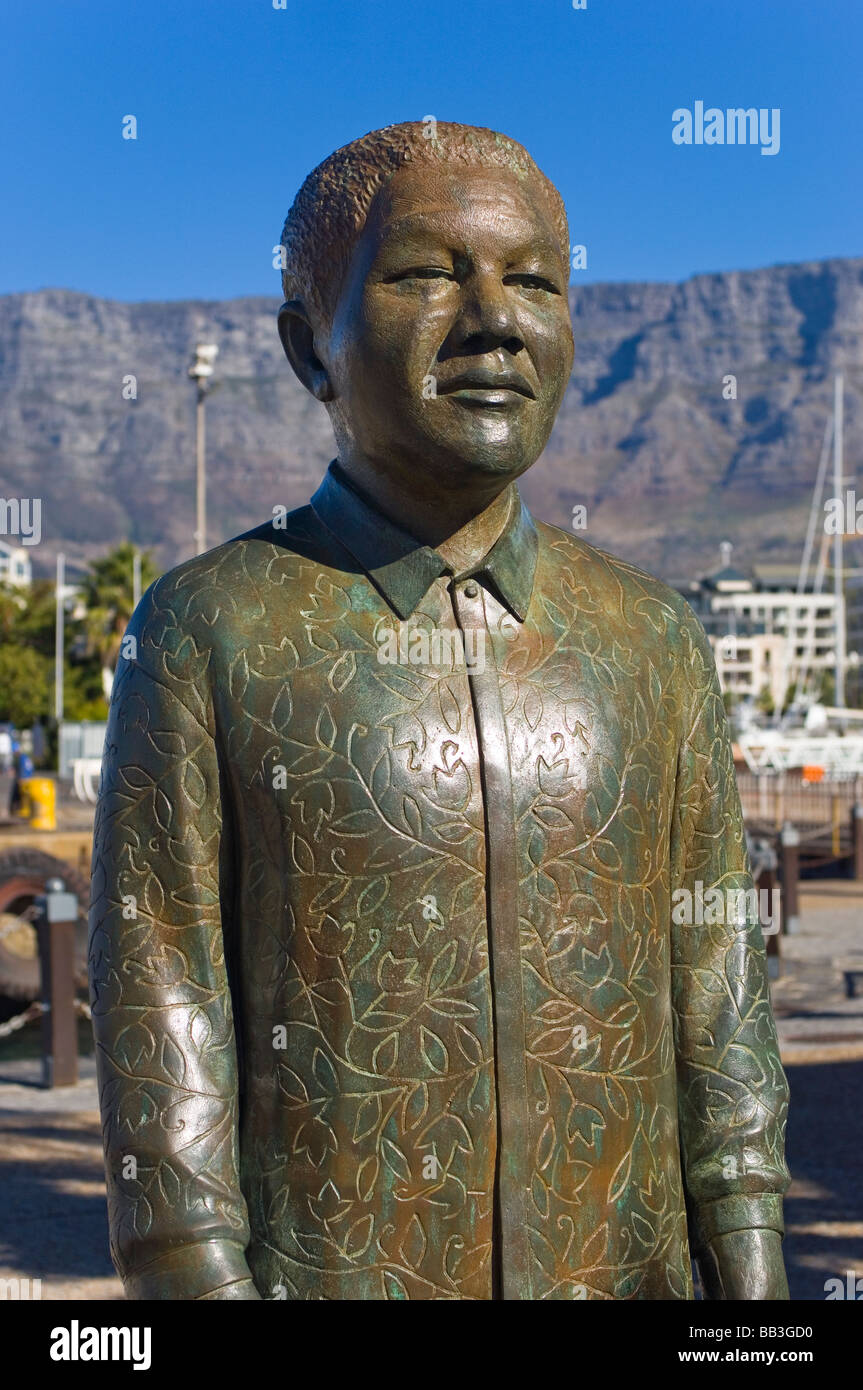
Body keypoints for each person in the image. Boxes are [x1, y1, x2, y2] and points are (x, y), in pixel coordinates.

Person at [89, 121, 790, 1301]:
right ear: (309, 346)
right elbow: (164, 1011)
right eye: (425, 273)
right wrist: (193, 1281)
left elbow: (715, 979)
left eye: (534, 281)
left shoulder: (653, 636)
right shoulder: (209, 628)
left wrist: (753, 1267)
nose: (493, 319)